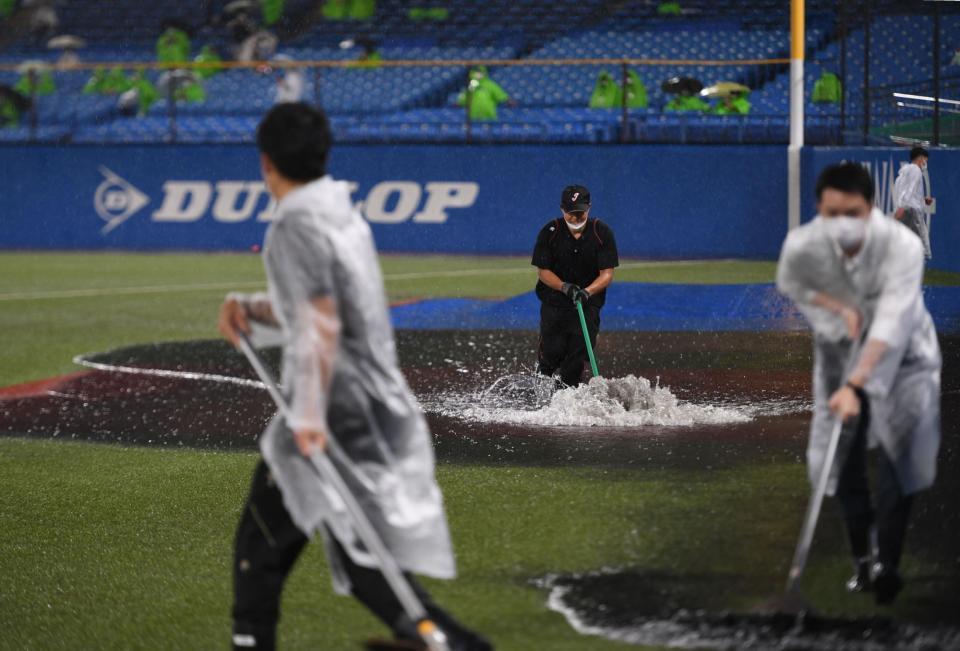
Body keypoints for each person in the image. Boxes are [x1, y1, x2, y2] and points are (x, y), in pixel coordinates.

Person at [218, 103, 491, 651]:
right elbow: (324, 303)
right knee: (357, 547)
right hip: (370, 400)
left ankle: (448, 643)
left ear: (266, 161)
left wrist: (311, 419)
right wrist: (253, 307)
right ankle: (442, 638)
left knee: (262, 547)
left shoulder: (294, 223)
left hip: (337, 408)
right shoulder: (341, 209)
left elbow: (318, 320)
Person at [776, 162, 941, 606]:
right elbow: (791, 281)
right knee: (842, 455)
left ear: (871, 209)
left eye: (852, 213)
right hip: (840, 351)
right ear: (818, 210)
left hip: (904, 357)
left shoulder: (901, 248)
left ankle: (887, 559)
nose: (842, 225)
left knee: (896, 453)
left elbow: (889, 327)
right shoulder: (805, 245)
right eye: (832, 214)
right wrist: (839, 307)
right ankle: (862, 562)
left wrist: (857, 384)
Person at [532, 185, 619, 387]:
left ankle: (567, 391)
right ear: (562, 209)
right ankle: (544, 379)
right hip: (555, 300)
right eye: (571, 213)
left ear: (589, 208)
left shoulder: (601, 232)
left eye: (580, 212)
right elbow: (543, 271)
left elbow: (607, 274)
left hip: (588, 301)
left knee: (579, 350)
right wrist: (565, 287)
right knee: (553, 349)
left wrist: (587, 292)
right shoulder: (550, 231)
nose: (576, 217)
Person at [893, 146, 934, 259]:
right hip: (912, 212)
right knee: (922, 248)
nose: (926, 163)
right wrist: (902, 206)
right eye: (925, 160)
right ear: (921, 158)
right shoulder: (916, 170)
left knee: (907, 243)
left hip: (906, 210)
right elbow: (909, 190)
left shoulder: (901, 175)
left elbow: (902, 192)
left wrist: (922, 200)